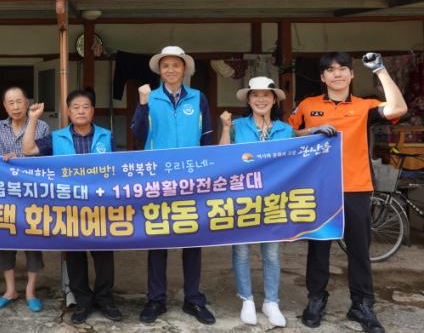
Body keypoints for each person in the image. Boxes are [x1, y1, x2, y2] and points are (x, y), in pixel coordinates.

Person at [289, 52, 407, 333]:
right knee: (319, 248)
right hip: (318, 188)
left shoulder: (365, 106)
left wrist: (379, 70)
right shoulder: (308, 105)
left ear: (352, 75)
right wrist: (311, 131)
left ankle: (362, 305)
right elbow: (286, 134)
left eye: (343, 69)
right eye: (330, 70)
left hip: (355, 186)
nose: (337, 74)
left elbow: (398, 109)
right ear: (323, 77)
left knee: (359, 250)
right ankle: (316, 300)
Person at [130, 45, 215, 325]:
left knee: (193, 238)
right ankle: (156, 299)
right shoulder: (150, 97)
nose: (170, 70)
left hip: (192, 179)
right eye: (165, 65)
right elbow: (138, 134)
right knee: (158, 239)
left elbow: (207, 136)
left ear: (184, 69)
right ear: (159, 70)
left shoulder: (198, 98)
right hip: (158, 179)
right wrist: (142, 104)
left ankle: (193, 299)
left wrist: (207, 174)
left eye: (176, 65)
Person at [21, 89, 122, 325]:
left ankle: (105, 299)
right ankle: (83, 301)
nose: (81, 111)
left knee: (104, 256)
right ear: (68, 112)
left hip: (100, 208)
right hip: (69, 209)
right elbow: (28, 150)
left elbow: (116, 170)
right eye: (76, 107)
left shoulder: (106, 136)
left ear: (93, 111)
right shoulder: (56, 138)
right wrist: (33, 118)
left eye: (86, 107)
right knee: (75, 258)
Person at [219, 76, 293, 327]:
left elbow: (294, 162)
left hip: (273, 200)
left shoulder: (285, 130)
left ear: (274, 100)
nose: (261, 99)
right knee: (241, 251)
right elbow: (222, 157)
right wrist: (225, 128)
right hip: (243, 199)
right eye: (255, 95)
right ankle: (247, 300)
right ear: (248, 100)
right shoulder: (237, 126)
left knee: (271, 253)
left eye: (266, 95)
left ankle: (271, 302)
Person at [0, 86, 50, 312]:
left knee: (32, 243)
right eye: (11, 103)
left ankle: (31, 292)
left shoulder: (41, 126)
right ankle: (10, 290)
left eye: (19, 101)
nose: (15, 107)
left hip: (31, 195)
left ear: (27, 102)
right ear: (4, 106)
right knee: (5, 242)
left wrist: (21, 157)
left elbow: (45, 155)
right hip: (4, 195)